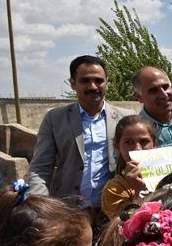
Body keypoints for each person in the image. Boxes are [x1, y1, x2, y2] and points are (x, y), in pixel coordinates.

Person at [28, 55, 134, 216]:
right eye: (85, 81)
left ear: (107, 82)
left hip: (114, 208)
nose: (93, 86)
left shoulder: (125, 118)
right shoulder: (55, 118)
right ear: (72, 83)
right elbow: (41, 167)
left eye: (98, 80)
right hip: (67, 209)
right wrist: (37, 205)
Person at [100, 115, 158, 221]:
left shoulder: (169, 175)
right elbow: (126, 226)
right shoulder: (114, 188)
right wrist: (139, 191)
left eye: (144, 141)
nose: (137, 149)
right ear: (118, 147)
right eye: (129, 142)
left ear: (154, 144)